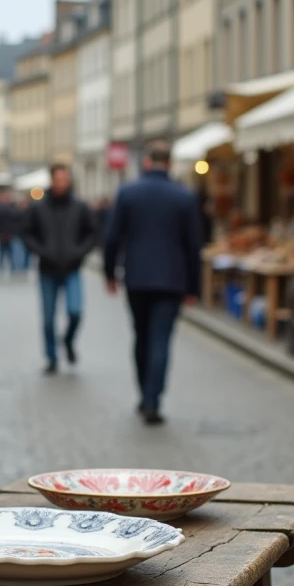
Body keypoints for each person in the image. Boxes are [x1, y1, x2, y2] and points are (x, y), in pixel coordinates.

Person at [103, 141, 203, 425]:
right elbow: (193, 246)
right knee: (161, 338)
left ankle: (143, 392)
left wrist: (110, 274)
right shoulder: (184, 197)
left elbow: (111, 238)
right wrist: (194, 288)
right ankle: (152, 399)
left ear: (147, 162)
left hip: (136, 278)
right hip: (172, 280)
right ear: (169, 163)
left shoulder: (128, 193)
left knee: (141, 335)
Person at [20, 165, 98, 374]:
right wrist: (41, 251)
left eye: (65, 179)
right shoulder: (38, 207)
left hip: (72, 268)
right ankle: (51, 357)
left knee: (75, 312)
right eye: (58, 179)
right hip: (47, 269)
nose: (61, 183)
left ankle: (68, 341)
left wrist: (79, 252)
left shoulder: (80, 206)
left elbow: (92, 233)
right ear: (51, 180)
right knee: (48, 318)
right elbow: (27, 234)